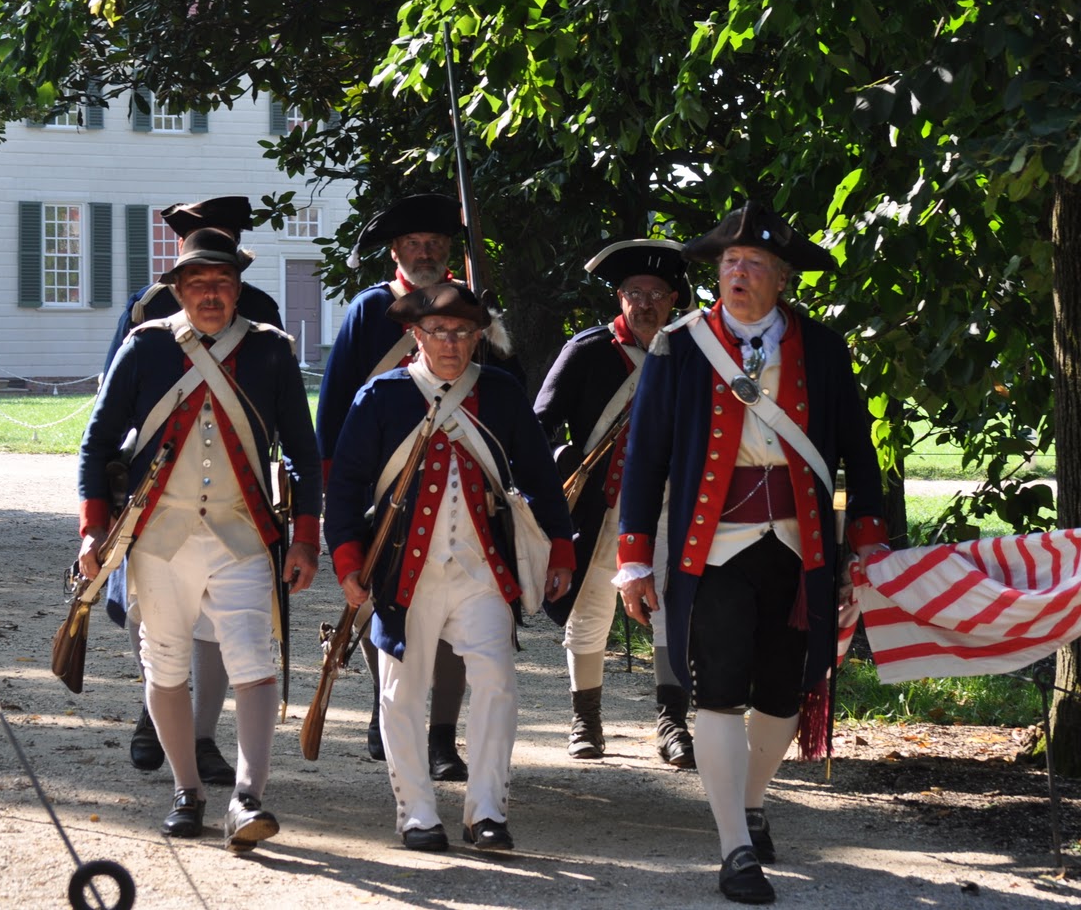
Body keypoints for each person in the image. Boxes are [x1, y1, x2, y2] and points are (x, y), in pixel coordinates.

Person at [615, 201, 889, 904]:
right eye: (730, 263)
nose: (738, 273)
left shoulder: (822, 348)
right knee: (720, 688)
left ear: (783, 280)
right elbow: (644, 462)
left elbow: (859, 452)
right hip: (714, 550)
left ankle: (753, 799)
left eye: (755, 264)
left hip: (799, 549)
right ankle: (735, 844)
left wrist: (867, 544)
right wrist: (634, 558)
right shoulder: (679, 345)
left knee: (782, 693)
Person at [76, 228, 321, 852]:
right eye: (199, 284)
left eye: (223, 284)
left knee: (254, 665)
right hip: (158, 538)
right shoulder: (145, 348)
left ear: (238, 290)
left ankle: (247, 798)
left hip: (242, 535)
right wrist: (92, 529)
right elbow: (98, 443)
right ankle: (187, 790)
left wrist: (306, 537)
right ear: (178, 290)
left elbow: (302, 450)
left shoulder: (270, 352)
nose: (211, 295)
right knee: (165, 666)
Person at [324, 283, 575, 854]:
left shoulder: (503, 394)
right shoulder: (381, 396)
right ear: (416, 335)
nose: (452, 343)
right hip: (400, 573)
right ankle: (416, 813)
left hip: (481, 571)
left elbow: (538, 476)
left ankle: (486, 811)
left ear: (478, 337)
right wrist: (346, 560)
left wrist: (560, 544)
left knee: (497, 685)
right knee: (401, 692)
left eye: (464, 333)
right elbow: (344, 489)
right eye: (439, 332)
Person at [101, 195, 283, 786]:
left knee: (227, 633)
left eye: (223, 249)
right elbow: (117, 399)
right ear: (179, 269)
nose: (210, 285)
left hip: (235, 504)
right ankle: (154, 715)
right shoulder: (149, 313)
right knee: (155, 624)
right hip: (160, 491)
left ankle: (204, 736)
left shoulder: (262, 318)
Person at [316, 192, 492, 780]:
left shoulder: (476, 312)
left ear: (448, 253)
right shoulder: (371, 311)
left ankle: (442, 736)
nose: (424, 252)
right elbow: (338, 401)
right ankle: (381, 705)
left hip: (456, 481)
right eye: (414, 244)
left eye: (435, 245)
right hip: (382, 482)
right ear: (395, 251)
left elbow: (500, 397)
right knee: (376, 603)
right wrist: (332, 487)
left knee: (449, 616)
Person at [533, 239, 697, 765]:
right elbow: (540, 424)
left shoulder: (694, 353)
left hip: (674, 502)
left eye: (656, 293)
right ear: (619, 297)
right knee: (591, 608)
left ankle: (672, 724)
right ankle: (586, 721)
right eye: (634, 292)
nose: (645, 303)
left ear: (674, 298)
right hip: (602, 505)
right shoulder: (587, 350)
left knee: (675, 610)